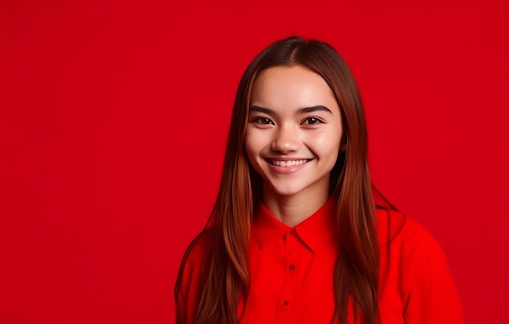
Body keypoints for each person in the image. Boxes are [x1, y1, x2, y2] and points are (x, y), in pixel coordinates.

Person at [174, 36, 463, 324]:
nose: (285, 143)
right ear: (242, 132)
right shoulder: (205, 258)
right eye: (264, 120)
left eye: (311, 121)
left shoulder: (409, 251)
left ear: (346, 135)